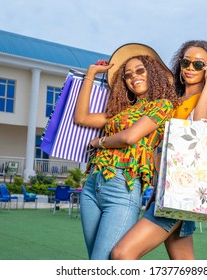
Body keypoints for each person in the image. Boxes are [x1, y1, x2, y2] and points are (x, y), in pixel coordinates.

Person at [111, 40, 207, 260]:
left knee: (122, 254)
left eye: (198, 64)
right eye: (185, 62)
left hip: (184, 189)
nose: (189, 68)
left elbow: (199, 125)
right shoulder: (171, 100)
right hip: (164, 188)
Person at [73, 43, 180, 260]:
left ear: (154, 74)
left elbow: (129, 137)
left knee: (102, 263)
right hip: (93, 185)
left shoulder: (163, 106)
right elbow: (81, 118)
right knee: (95, 260)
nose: (134, 77)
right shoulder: (122, 111)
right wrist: (91, 74)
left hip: (123, 186)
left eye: (140, 71)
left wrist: (98, 142)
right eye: (128, 75)